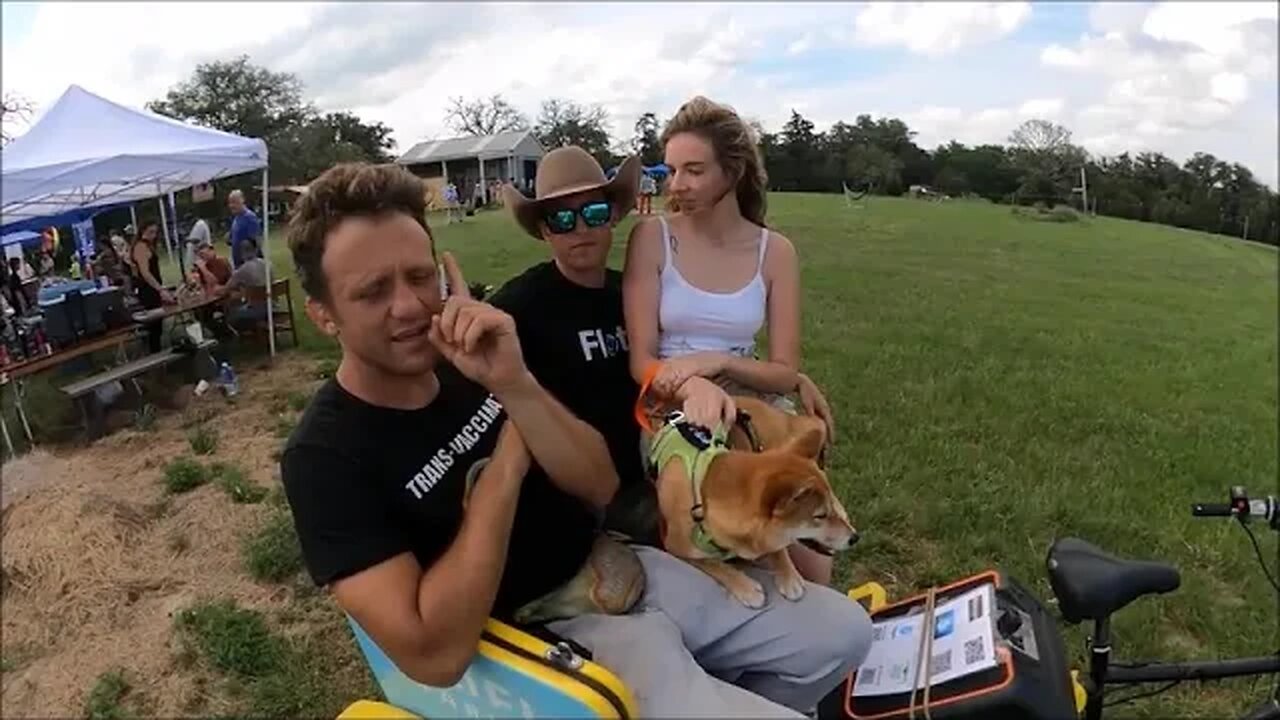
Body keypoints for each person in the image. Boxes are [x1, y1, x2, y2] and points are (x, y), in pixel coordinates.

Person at [282, 162, 869, 718]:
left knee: (845, 634)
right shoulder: (325, 454)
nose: (409, 306)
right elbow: (434, 656)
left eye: (418, 276)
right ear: (323, 314)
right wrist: (509, 461)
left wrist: (515, 384)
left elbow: (600, 483)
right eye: (371, 292)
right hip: (551, 635)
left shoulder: (473, 361)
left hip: (622, 564)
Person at [493, 147, 869, 716]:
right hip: (604, 500)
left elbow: (682, 349)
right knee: (755, 527)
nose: (580, 231)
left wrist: (797, 381)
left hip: (659, 465)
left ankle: (787, 660)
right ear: (543, 230)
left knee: (798, 544)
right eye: (560, 219)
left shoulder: (630, 292)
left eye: (592, 213)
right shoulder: (524, 304)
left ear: (613, 215)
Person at [622, 96, 835, 586]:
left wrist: (719, 361)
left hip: (750, 393)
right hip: (671, 401)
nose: (677, 186)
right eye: (672, 170)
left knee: (813, 556)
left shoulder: (774, 252)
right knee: (744, 515)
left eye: (694, 171)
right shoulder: (653, 239)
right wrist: (694, 381)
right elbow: (641, 360)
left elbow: (783, 369)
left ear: (732, 171)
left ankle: (820, 636)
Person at [206, 237, 268, 328]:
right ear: (256, 249)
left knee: (229, 315)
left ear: (241, 252)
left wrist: (215, 287)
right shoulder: (267, 264)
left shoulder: (242, 270)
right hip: (271, 306)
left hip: (257, 311)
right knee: (237, 302)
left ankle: (238, 336)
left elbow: (224, 290)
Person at [131, 221, 173, 352]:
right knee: (154, 327)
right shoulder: (140, 247)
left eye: (155, 232)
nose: (153, 235)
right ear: (142, 231)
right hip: (148, 290)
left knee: (157, 326)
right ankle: (155, 355)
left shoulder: (148, 246)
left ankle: (157, 353)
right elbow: (145, 273)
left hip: (153, 289)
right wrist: (160, 289)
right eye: (150, 232)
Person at [227, 189, 262, 267]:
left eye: (234, 202)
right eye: (230, 202)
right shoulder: (236, 218)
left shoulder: (250, 217)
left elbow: (256, 242)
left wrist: (251, 264)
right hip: (238, 264)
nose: (231, 205)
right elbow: (232, 239)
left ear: (242, 200)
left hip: (249, 265)